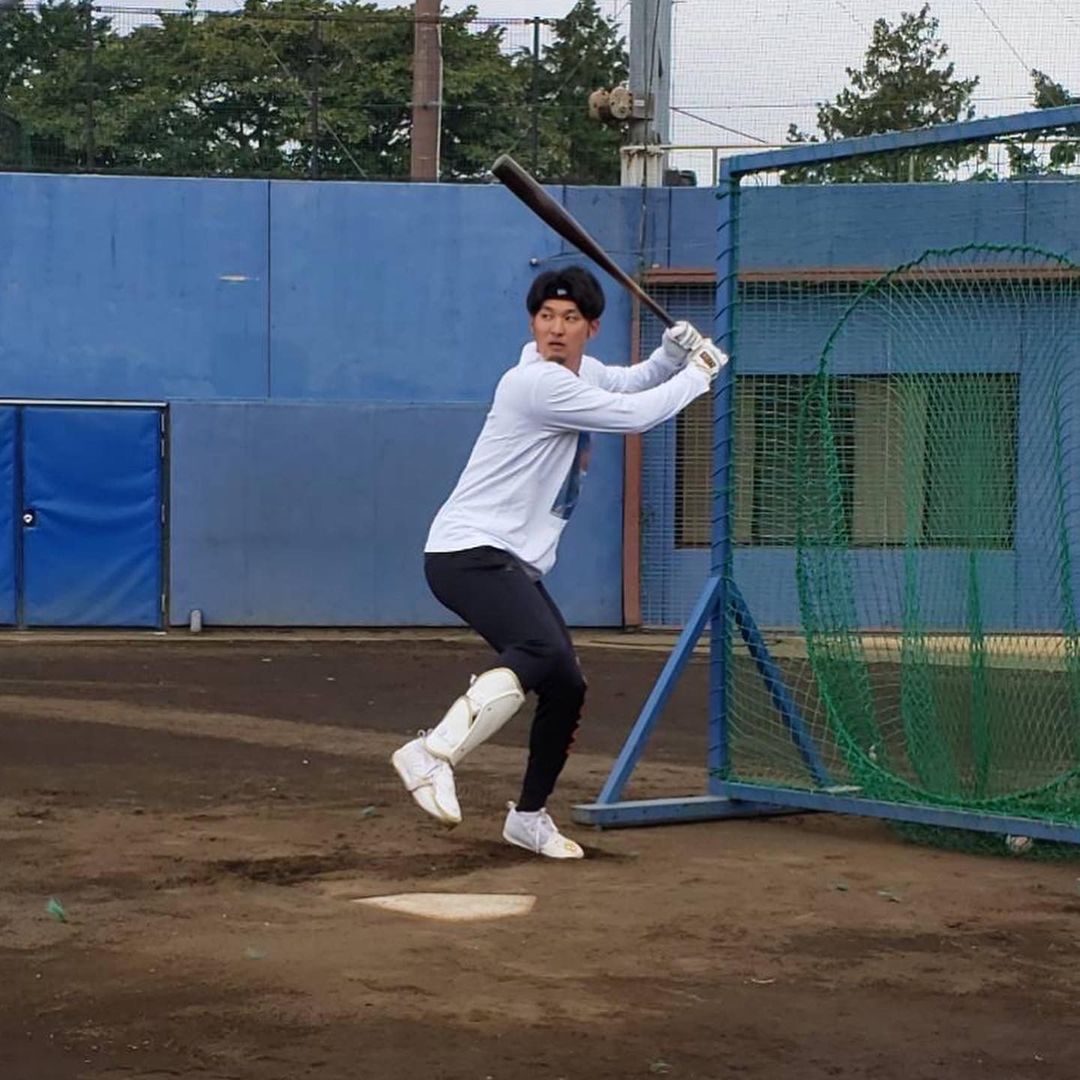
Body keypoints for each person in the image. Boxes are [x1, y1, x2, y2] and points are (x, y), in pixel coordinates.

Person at [391, 265, 724, 859]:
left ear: (590, 328)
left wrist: (670, 357)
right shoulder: (536, 383)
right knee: (540, 651)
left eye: (570, 318)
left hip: (505, 560)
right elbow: (634, 416)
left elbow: (630, 383)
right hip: (468, 552)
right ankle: (432, 752)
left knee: (565, 683)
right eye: (546, 316)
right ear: (533, 323)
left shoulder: (580, 372)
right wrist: (699, 374)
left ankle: (528, 817)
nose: (555, 327)